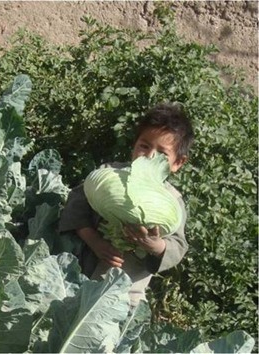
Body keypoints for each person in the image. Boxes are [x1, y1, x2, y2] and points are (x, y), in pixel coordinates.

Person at [58, 102, 194, 306]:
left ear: (178, 163)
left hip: (126, 294)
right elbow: (76, 204)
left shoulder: (172, 201)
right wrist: (94, 241)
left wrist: (155, 245)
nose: (149, 156)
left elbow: (178, 246)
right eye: (144, 146)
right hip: (75, 272)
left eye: (162, 154)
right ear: (134, 144)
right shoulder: (108, 175)